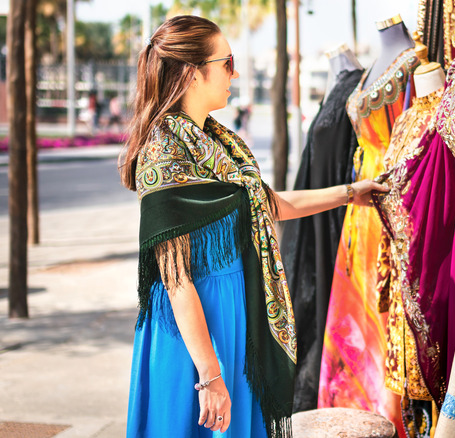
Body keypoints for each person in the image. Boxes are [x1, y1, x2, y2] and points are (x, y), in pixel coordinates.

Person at [118, 15, 386, 438]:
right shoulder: (162, 153)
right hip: (194, 333)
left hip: (236, 317)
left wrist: (350, 192)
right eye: (227, 62)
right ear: (192, 73)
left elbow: (269, 204)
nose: (235, 73)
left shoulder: (219, 141)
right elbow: (175, 279)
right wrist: (209, 375)